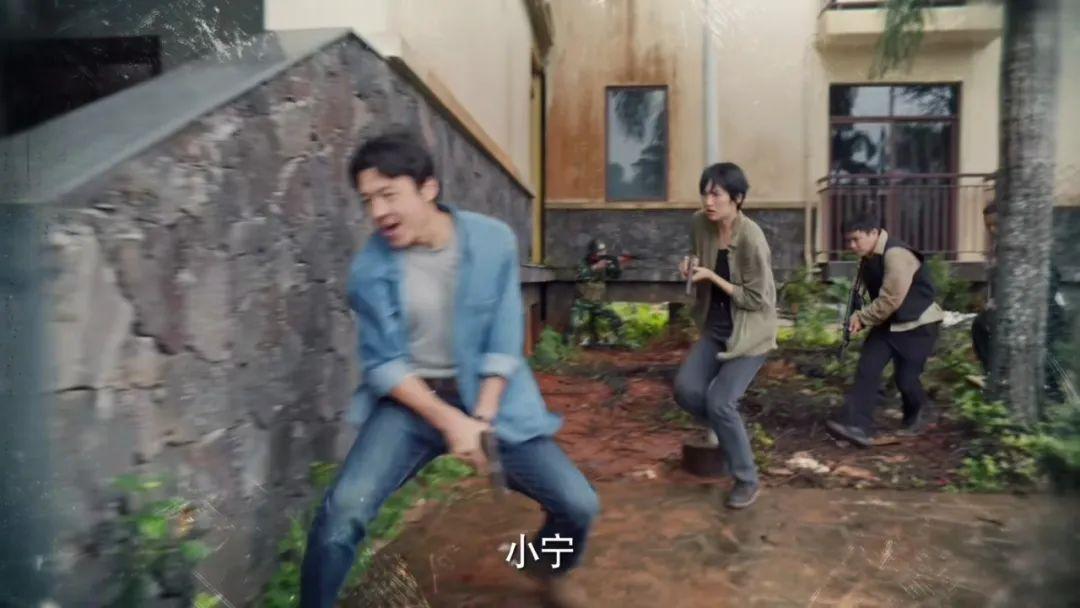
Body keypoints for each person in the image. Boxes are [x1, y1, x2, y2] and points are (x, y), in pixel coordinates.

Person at [300, 131, 598, 608]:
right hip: (411, 405)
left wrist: (481, 417)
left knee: (578, 505)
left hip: (490, 400)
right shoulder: (369, 271)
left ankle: (542, 562)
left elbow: (504, 336)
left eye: (388, 194)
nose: (377, 212)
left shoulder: (493, 241)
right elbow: (384, 365)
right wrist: (450, 421)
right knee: (342, 513)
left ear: (428, 188)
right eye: (368, 200)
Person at [674, 162, 778, 509]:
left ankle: (747, 480)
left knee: (720, 402)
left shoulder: (752, 238)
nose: (709, 201)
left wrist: (713, 277)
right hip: (715, 328)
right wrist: (689, 266)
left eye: (716, 195)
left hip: (750, 334)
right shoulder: (699, 223)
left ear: (738, 198)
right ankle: (731, 431)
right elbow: (696, 255)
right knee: (687, 389)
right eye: (704, 193)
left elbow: (757, 299)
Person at [826, 212, 944, 448]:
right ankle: (857, 426)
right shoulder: (868, 257)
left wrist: (863, 317)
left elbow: (891, 299)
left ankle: (921, 412)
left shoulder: (896, 254)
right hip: (888, 324)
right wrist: (856, 314)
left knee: (906, 379)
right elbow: (864, 292)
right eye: (848, 241)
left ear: (873, 233)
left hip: (918, 324)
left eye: (856, 239)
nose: (851, 246)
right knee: (867, 369)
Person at [971, 202, 1068, 400]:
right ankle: (995, 374)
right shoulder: (1000, 248)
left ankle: (1053, 392)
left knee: (1045, 351)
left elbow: (1051, 277)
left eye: (996, 224)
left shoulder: (1028, 244)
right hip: (1015, 307)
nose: (992, 230)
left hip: (1047, 306)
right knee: (981, 325)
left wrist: (1025, 300)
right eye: (988, 226)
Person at [570, 238, 625, 346]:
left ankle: (620, 343)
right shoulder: (583, 262)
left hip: (597, 303)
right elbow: (579, 276)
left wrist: (619, 265)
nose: (602, 254)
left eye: (603, 251)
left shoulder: (605, 262)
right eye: (599, 252)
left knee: (615, 319)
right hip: (582, 303)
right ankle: (569, 346)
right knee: (574, 324)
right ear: (592, 253)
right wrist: (595, 267)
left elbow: (615, 275)